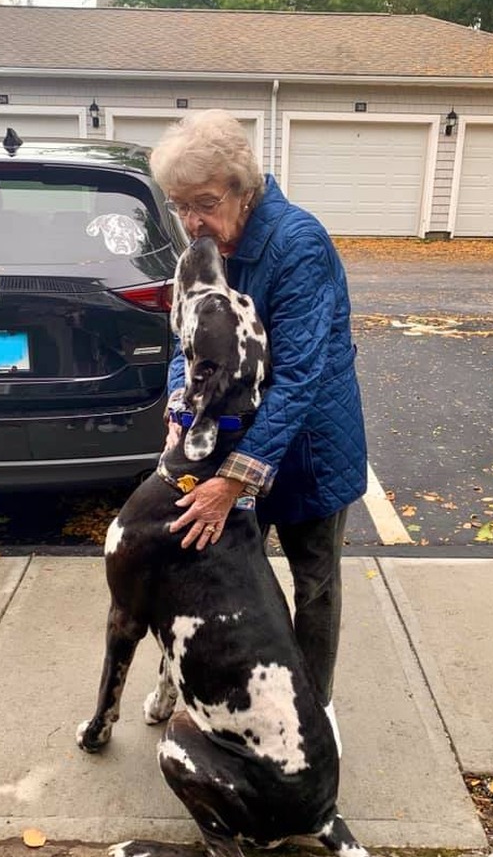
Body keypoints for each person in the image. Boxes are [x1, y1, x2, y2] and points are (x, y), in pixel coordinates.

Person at [149, 108, 367, 724]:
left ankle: (312, 715)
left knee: (314, 586)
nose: (193, 222)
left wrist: (233, 481)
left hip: (309, 449)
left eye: (205, 203)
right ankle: (202, 690)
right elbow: (185, 344)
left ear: (243, 190)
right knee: (214, 579)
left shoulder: (298, 243)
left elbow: (300, 374)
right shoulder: (205, 248)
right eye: (179, 205)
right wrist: (178, 410)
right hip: (236, 443)